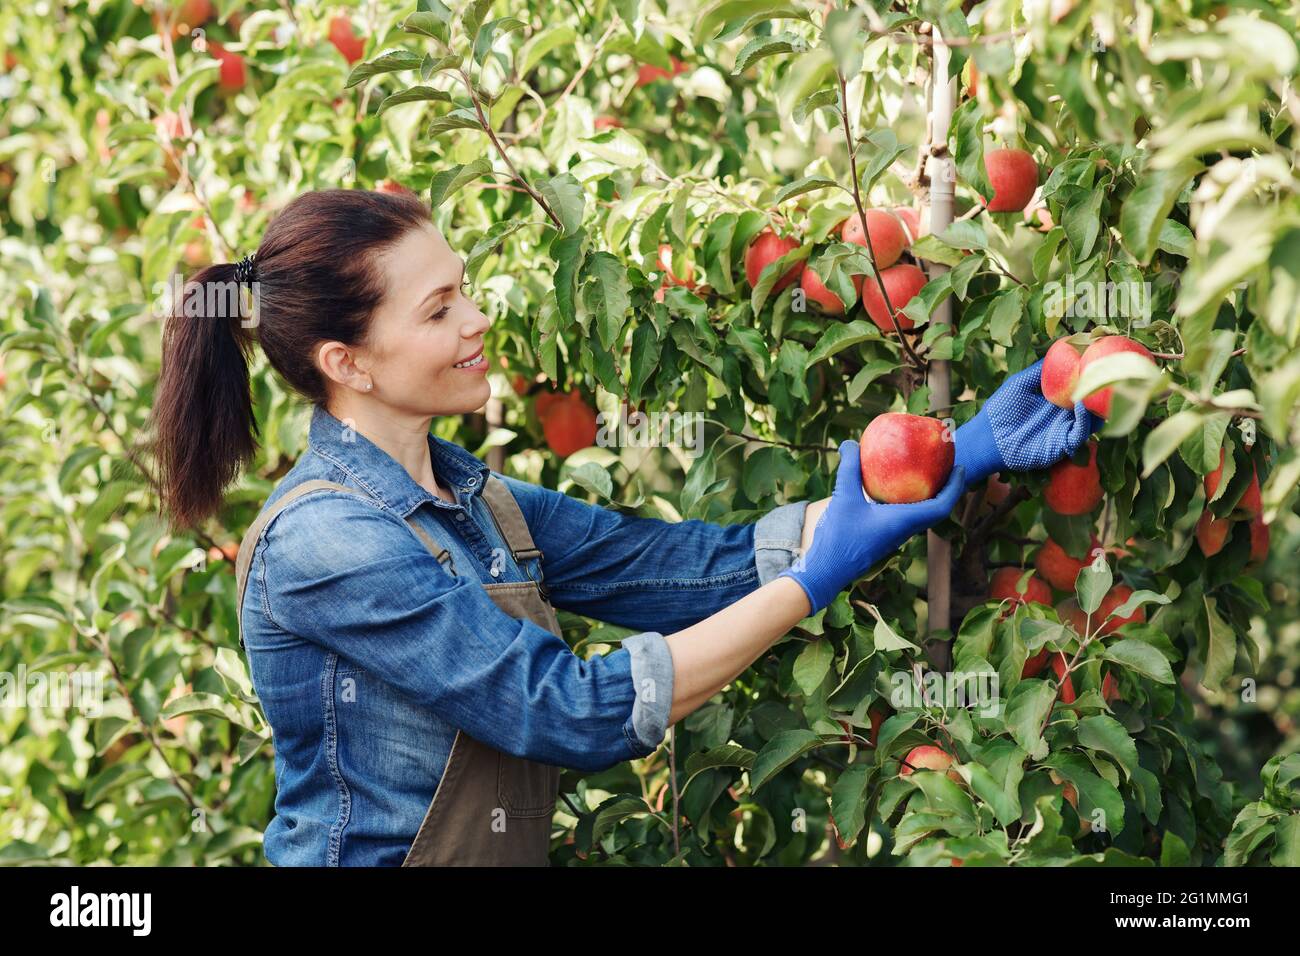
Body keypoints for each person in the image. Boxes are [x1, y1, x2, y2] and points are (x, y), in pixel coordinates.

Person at [149, 188, 1095, 866]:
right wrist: (809, 586)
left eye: (465, 288)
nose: (479, 322)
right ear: (346, 363)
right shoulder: (324, 546)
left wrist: (953, 452)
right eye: (440, 310)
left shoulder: (477, 499)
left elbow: (685, 567)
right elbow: (567, 710)